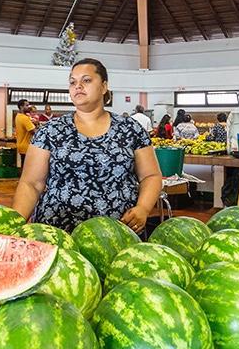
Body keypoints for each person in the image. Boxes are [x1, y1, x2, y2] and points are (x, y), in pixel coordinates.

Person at [13, 58, 162, 233]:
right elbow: (31, 184)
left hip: (119, 233)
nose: (78, 86)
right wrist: (13, 225)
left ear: (104, 86)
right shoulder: (50, 131)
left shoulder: (130, 129)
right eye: (72, 82)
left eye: (86, 80)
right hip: (58, 233)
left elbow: (151, 176)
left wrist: (143, 208)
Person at [14, 100, 37, 168]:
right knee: (28, 167)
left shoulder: (18, 116)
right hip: (26, 146)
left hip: (21, 145)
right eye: (26, 105)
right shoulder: (25, 118)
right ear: (21, 107)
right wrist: (38, 125)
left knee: (24, 165)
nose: (28, 107)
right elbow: (33, 131)